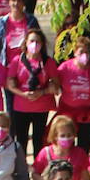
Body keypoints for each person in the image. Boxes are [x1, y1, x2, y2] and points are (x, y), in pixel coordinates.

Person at [6, 26, 59, 157]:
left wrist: (43, 92)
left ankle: (38, 169)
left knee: (39, 140)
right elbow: (9, 83)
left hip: (41, 107)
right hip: (21, 106)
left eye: (38, 42)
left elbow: (56, 85)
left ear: (42, 44)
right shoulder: (17, 61)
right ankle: (22, 170)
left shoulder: (48, 62)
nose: (34, 44)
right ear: (25, 43)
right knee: (21, 140)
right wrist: (22, 94)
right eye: (31, 41)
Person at [55, 36, 90, 152]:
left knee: (84, 146)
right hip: (67, 111)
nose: (85, 55)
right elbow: (55, 84)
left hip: (87, 113)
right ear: (75, 52)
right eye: (81, 52)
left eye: (87, 52)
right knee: (66, 144)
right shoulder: (65, 68)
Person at [34, 113, 90, 180]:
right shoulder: (45, 153)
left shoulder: (79, 153)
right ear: (54, 136)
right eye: (62, 136)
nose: (66, 138)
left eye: (69, 135)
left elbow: (86, 179)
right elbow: (34, 174)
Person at [0, 0, 38, 78]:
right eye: (13, 0)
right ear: (9, 2)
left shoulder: (31, 20)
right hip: (7, 66)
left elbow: (38, 41)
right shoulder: (2, 22)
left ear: (24, 3)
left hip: (27, 66)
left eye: (19, 1)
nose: (16, 3)